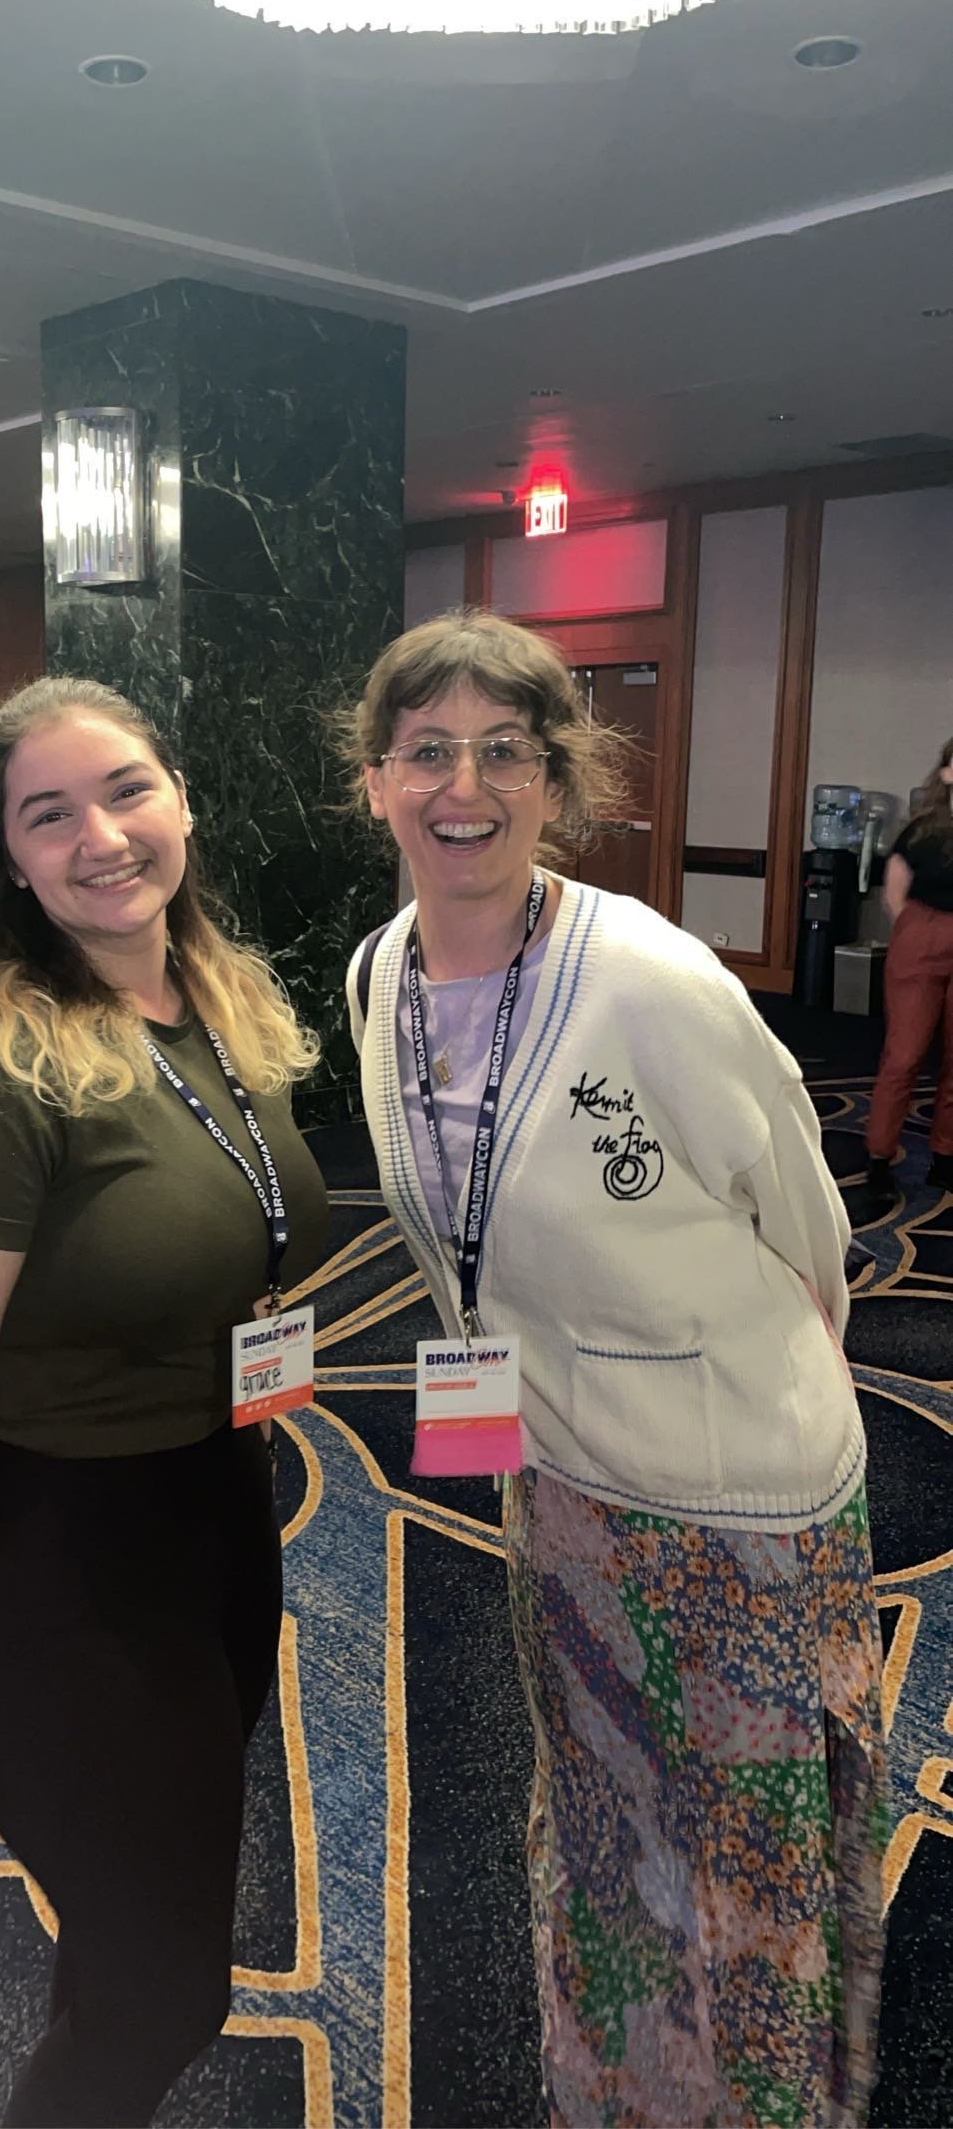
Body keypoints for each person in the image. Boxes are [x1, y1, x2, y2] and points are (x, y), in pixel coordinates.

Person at [343, 611, 886, 2129]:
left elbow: (808, 1220)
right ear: (375, 780)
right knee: (602, 1832)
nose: (465, 786)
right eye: (428, 752)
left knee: (744, 1878)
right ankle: (621, 2096)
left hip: (737, 1501)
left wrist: (760, 1394)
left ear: (553, 781)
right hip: (557, 1483)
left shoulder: (648, 982)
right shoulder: (377, 977)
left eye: (503, 753)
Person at [0, 676, 328, 2128]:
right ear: (10, 861)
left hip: (207, 1521)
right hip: (53, 1567)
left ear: (179, 798)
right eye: (47, 816)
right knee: (161, 1989)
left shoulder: (220, 1007)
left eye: (125, 790)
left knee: (131, 1929)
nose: (101, 837)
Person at [864, 734, 953, 1210]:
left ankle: (946, 1157)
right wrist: (923, 933)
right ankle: (879, 1156)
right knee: (904, 1055)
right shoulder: (920, 830)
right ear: (946, 773)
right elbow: (895, 897)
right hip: (923, 935)